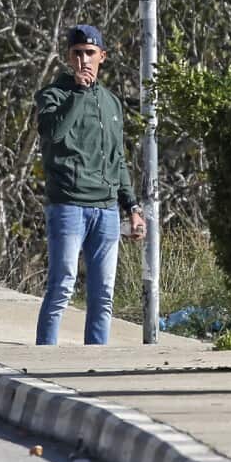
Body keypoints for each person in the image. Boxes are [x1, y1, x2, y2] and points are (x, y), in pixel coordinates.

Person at [34, 24, 146, 346]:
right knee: (62, 286)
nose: (84, 60)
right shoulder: (54, 94)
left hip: (106, 210)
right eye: (77, 53)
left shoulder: (111, 103)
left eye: (90, 53)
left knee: (103, 293)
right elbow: (53, 133)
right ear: (69, 58)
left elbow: (118, 159)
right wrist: (79, 94)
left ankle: (94, 360)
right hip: (68, 205)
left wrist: (133, 208)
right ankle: (45, 357)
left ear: (102, 57)